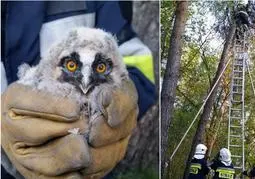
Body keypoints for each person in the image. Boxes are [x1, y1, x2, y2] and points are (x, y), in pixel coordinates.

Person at [1, 1, 156, 178]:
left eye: (99, 68)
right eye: (71, 64)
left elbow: (133, 61)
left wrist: (125, 100)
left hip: (88, 165)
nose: (85, 82)